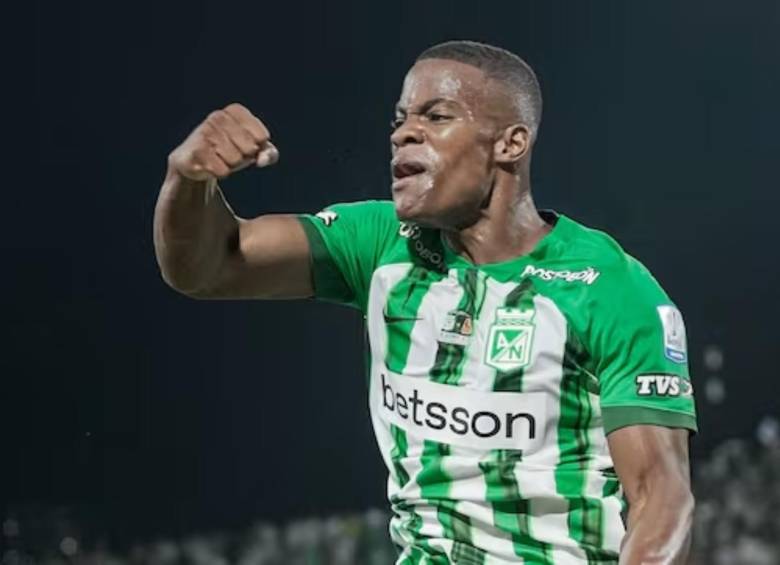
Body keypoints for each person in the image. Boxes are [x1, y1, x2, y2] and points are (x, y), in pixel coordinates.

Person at [153, 40, 697, 564]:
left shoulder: (608, 288)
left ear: (510, 144)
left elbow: (660, 499)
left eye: (436, 117)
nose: (404, 134)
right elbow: (207, 268)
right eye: (400, 118)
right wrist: (189, 179)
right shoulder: (379, 243)